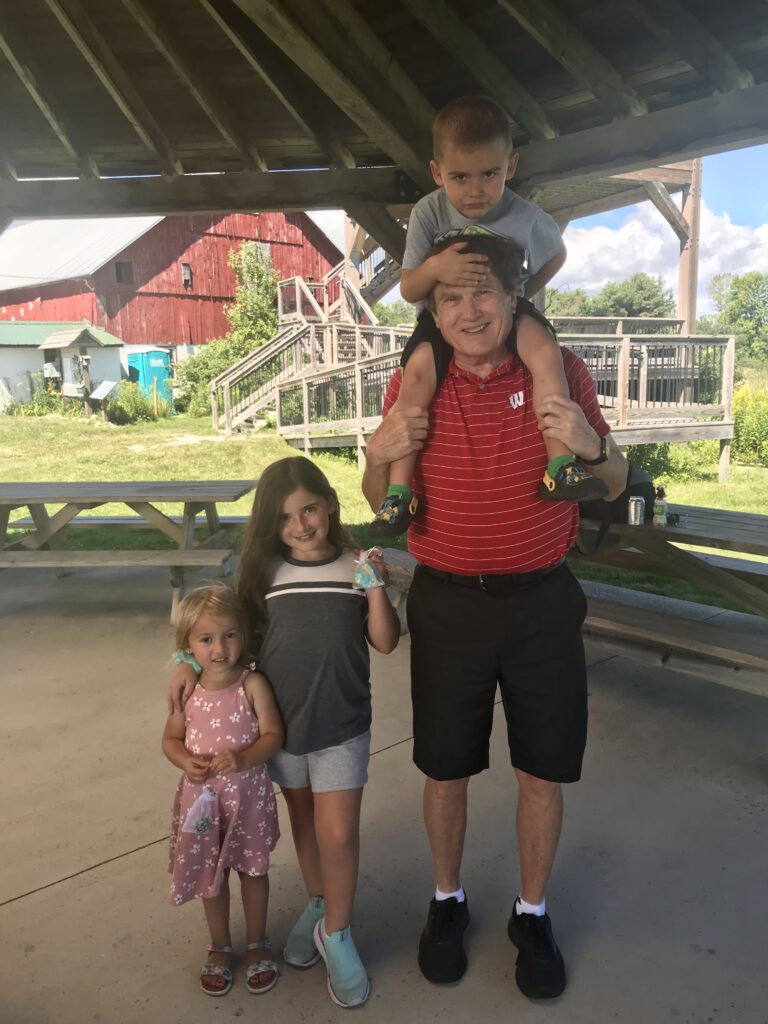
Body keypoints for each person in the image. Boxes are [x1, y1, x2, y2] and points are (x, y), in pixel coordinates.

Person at [362, 233, 628, 999]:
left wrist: (592, 450)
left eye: (484, 294)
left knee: (541, 772)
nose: (470, 311)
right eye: (452, 297)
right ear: (434, 312)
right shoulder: (418, 379)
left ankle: (532, 910)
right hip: (447, 602)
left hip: (544, 602)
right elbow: (379, 502)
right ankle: (448, 900)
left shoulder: (560, 369)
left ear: (515, 301)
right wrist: (378, 454)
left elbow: (612, 483)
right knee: (446, 768)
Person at [169, 457, 401, 1009]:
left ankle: (337, 933)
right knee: (305, 824)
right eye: (285, 517)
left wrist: (374, 588)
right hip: (278, 731)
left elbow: (387, 641)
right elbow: (217, 631)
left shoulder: (354, 565)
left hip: (342, 725)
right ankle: (320, 902)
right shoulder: (263, 576)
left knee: (339, 833)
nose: (299, 525)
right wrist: (184, 658)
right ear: (271, 526)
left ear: (330, 506)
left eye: (309, 510)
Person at [369, 95, 606, 540]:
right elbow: (408, 289)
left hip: (510, 306)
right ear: (438, 172)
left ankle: (560, 465)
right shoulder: (429, 212)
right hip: (438, 319)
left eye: (489, 174)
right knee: (415, 381)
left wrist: (523, 293)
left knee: (546, 355)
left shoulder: (524, 214)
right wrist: (438, 270)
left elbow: (556, 254)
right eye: (459, 176)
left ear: (510, 166)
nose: (474, 190)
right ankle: (399, 493)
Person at [163, 584, 283, 998]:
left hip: (246, 798)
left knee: (253, 871)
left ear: (244, 636)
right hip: (202, 803)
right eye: (207, 639)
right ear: (188, 645)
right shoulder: (187, 691)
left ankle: (257, 942)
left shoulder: (253, 684)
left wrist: (245, 758)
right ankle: (219, 946)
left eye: (230, 635)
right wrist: (184, 761)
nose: (220, 648)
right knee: (209, 876)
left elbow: (273, 734)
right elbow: (170, 740)